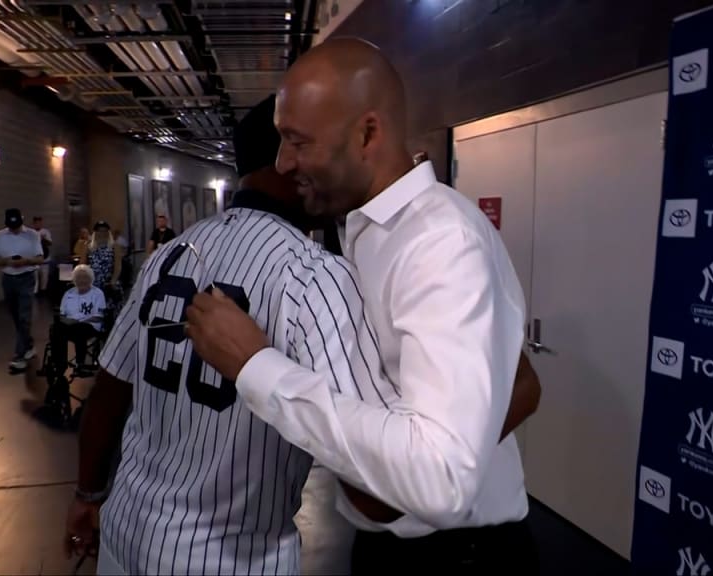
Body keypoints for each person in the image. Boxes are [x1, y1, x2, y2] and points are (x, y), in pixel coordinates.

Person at [63, 96, 538, 575]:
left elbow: (107, 392)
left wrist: (88, 493)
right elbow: (378, 498)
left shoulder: (173, 253)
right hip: (229, 557)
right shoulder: (314, 274)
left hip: (129, 533)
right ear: (287, 160)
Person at [185, 39, 537, 573]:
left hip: (455, 556)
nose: (282, 163)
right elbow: (521, 382)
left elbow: (440, 477)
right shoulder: (363, 229)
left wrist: (257, 366)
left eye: (296, 142)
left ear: (367, 134)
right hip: (391, 544)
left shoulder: (439, 242)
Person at [0, 208, 44, 371]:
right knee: (15, 315)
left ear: (22, 220)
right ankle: (28, 345)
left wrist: (26, 261)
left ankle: (19, 356)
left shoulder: (33, 235)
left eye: (17, 226)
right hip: (8, 279)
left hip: (26, 278)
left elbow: (40, 259)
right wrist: (6, 261)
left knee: (24, 316)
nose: (14, 229)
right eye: (11, 227)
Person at [49, 265, 106, 377]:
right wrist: (68, 321)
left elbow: (99, 316)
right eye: (78, 278)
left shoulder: (97, 293)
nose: (82, 280)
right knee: (55, 328)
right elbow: (61, 315)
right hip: (69, 325)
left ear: (91, 279)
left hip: (90, 325)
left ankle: (80, 365)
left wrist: (80, 321)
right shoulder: (69, 293)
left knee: (80, 329)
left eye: (85, 277)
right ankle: (60, 364)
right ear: (74, 280)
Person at [88, 221, 116, 293]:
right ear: (95, 233)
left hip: (109, 283)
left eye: (104, 231)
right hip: (92, 283)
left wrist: (113, 280)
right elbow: (82, 265)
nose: (102, 233)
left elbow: (118, 266)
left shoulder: (114, 246)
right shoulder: (88, 247)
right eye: (99, 231)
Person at [32, 216, 54, 295]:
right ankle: (35, 292)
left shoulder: (45, 232)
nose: (38, 225)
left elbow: (50, 243)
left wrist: (42, 239)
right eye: (37, 223)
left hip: (45, 257)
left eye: (40, 223)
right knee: (34, 276)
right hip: (34, 257)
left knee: (44, 276)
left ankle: (43, 290)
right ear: (34, 224)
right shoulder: (31, 232)